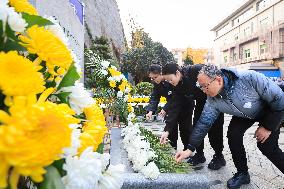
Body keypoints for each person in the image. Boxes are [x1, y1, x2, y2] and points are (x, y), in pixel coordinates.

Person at [175, 64, 284, 189]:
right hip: (245, 113)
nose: (204, 91)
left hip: (269, 110)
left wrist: (268, 127)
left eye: (205, 86)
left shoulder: (249, 78)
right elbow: (204, 122)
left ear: (218, 80)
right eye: (201, 87)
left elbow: (279, 99)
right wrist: (190, 149)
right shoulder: (212, 100)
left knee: (267, 147)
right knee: (233, 135)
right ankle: (242, 173)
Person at [161, 63, 225, 170]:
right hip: (201, 102)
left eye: (170, 79)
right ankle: (199, 155)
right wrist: (167, 130)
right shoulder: (177, 86)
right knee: (196, 127)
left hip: (214, 100)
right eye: (167, 80)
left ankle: (219, 156)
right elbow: (174, 107)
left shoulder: (196, 70)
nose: (170, 82)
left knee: (215, 129)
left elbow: (215, 76)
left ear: (177, 73)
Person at [145, 64, 178, 149]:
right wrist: (150, 111)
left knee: (185, 128)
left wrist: (165, 109)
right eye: (151, 78)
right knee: (171, 127)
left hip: (182, 105)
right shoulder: (156, 83)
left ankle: (189, 151)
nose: (153, 80)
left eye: (154, 77)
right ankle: (172, 148)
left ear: (161, 74)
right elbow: (154, 97)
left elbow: (174, 97)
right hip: (171, 105)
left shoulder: (170, 80)